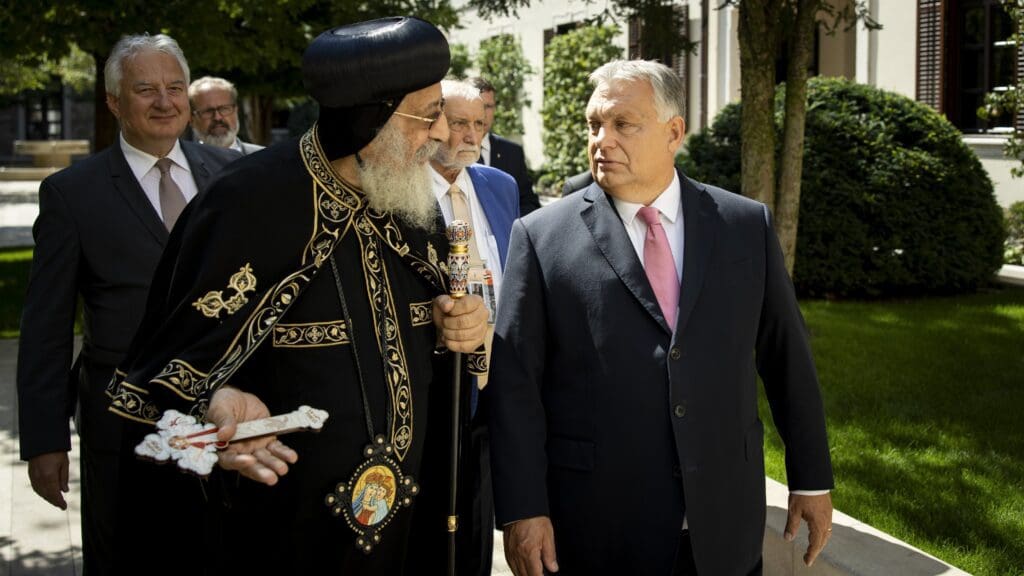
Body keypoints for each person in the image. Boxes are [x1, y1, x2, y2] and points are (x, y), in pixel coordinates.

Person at [107, 17, 489, 575]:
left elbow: (435, 345)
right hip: (279, 536)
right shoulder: (243, 205)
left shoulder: (409, 203)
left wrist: (461, 329)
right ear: (370, 118)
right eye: (427, 116)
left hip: (406, 532)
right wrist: (211, 414)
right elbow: (159, 374)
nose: (440, 134)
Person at [488, 59, 834, 576]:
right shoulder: (541, 238)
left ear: (674, 133)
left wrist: (810, 477)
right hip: (596, 530)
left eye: (623, 124)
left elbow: (787, 359)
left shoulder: (743, 226)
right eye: (594, 125)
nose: (602, 140)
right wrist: (522, 510)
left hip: (723, 524)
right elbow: (514, 386)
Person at [15, 33, 239, 574]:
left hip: (227, 415)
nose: (165, 101)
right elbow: (45, 326)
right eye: (145, 90)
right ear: (114, 102)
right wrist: (44, 440)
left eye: (174, 87)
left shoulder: (232, 178)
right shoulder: (73, 193)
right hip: (122, 424)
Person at [429, 79, 519, 576]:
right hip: (435, 381)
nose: (470, 134)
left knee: (481, 523)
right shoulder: (402, 191)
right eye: (458, 122)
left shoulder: (498, 185)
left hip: (496, 379)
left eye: (480, 124)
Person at [468, 76, 541, 216]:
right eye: (478, 105)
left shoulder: (512, 152)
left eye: (488, 106)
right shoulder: (450, 153)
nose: (483, 114)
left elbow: (529, 202)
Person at [188, 76, 264, 155]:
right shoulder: (183, 163)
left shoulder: (264, 157)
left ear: (236, 111)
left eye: (224, 109)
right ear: (191, 119)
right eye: (208, 111)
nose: (217, 117)